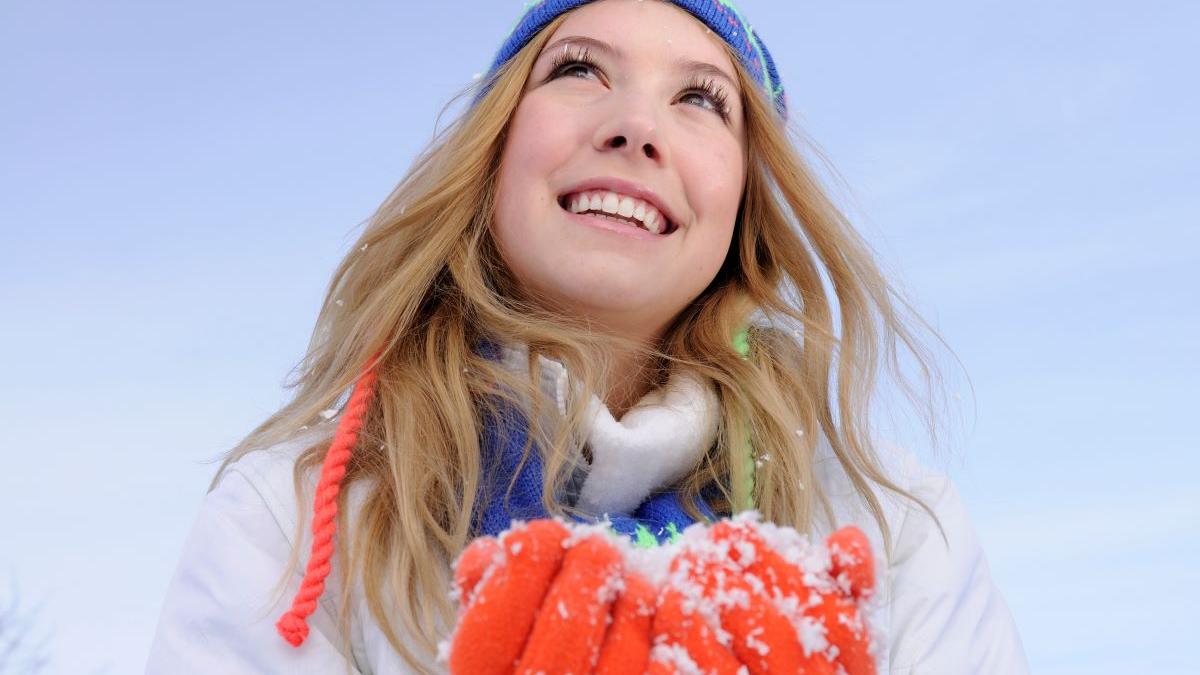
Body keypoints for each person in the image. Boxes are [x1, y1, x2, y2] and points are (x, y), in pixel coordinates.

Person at [146, 0, 1029, 672]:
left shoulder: (891, 531)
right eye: (579, 70)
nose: (636, 126)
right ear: (491, 152)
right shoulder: (293, 526)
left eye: (700, 98)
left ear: (746, 207)